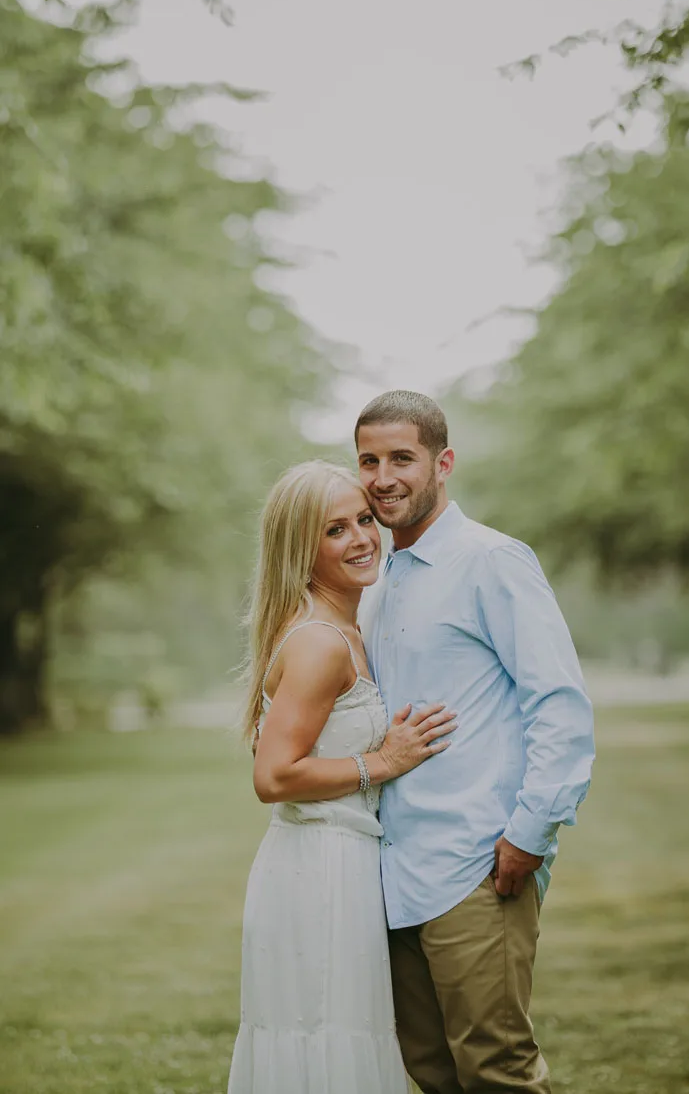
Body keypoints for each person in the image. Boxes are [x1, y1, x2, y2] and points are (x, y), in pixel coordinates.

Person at [355, 390, 596, 1094]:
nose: (383, 476)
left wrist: (530, 832)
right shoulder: (376, 580)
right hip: (392, 875)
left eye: (402, 457)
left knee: (495, 1070)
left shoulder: (493, 560)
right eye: (368, 460)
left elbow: (558, 703)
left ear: (443, 461)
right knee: (430, 1073)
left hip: (475, 864)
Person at [227, 460, 457, 1094]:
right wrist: (382, 763)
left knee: (344, 1044)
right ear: (301, 550)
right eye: (335, 530)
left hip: (346, 860)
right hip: (318, 872)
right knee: (328, 1044)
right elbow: (273, 775)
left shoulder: (350, 625)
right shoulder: (319, 642)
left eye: (363, 520)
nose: (362, 538)